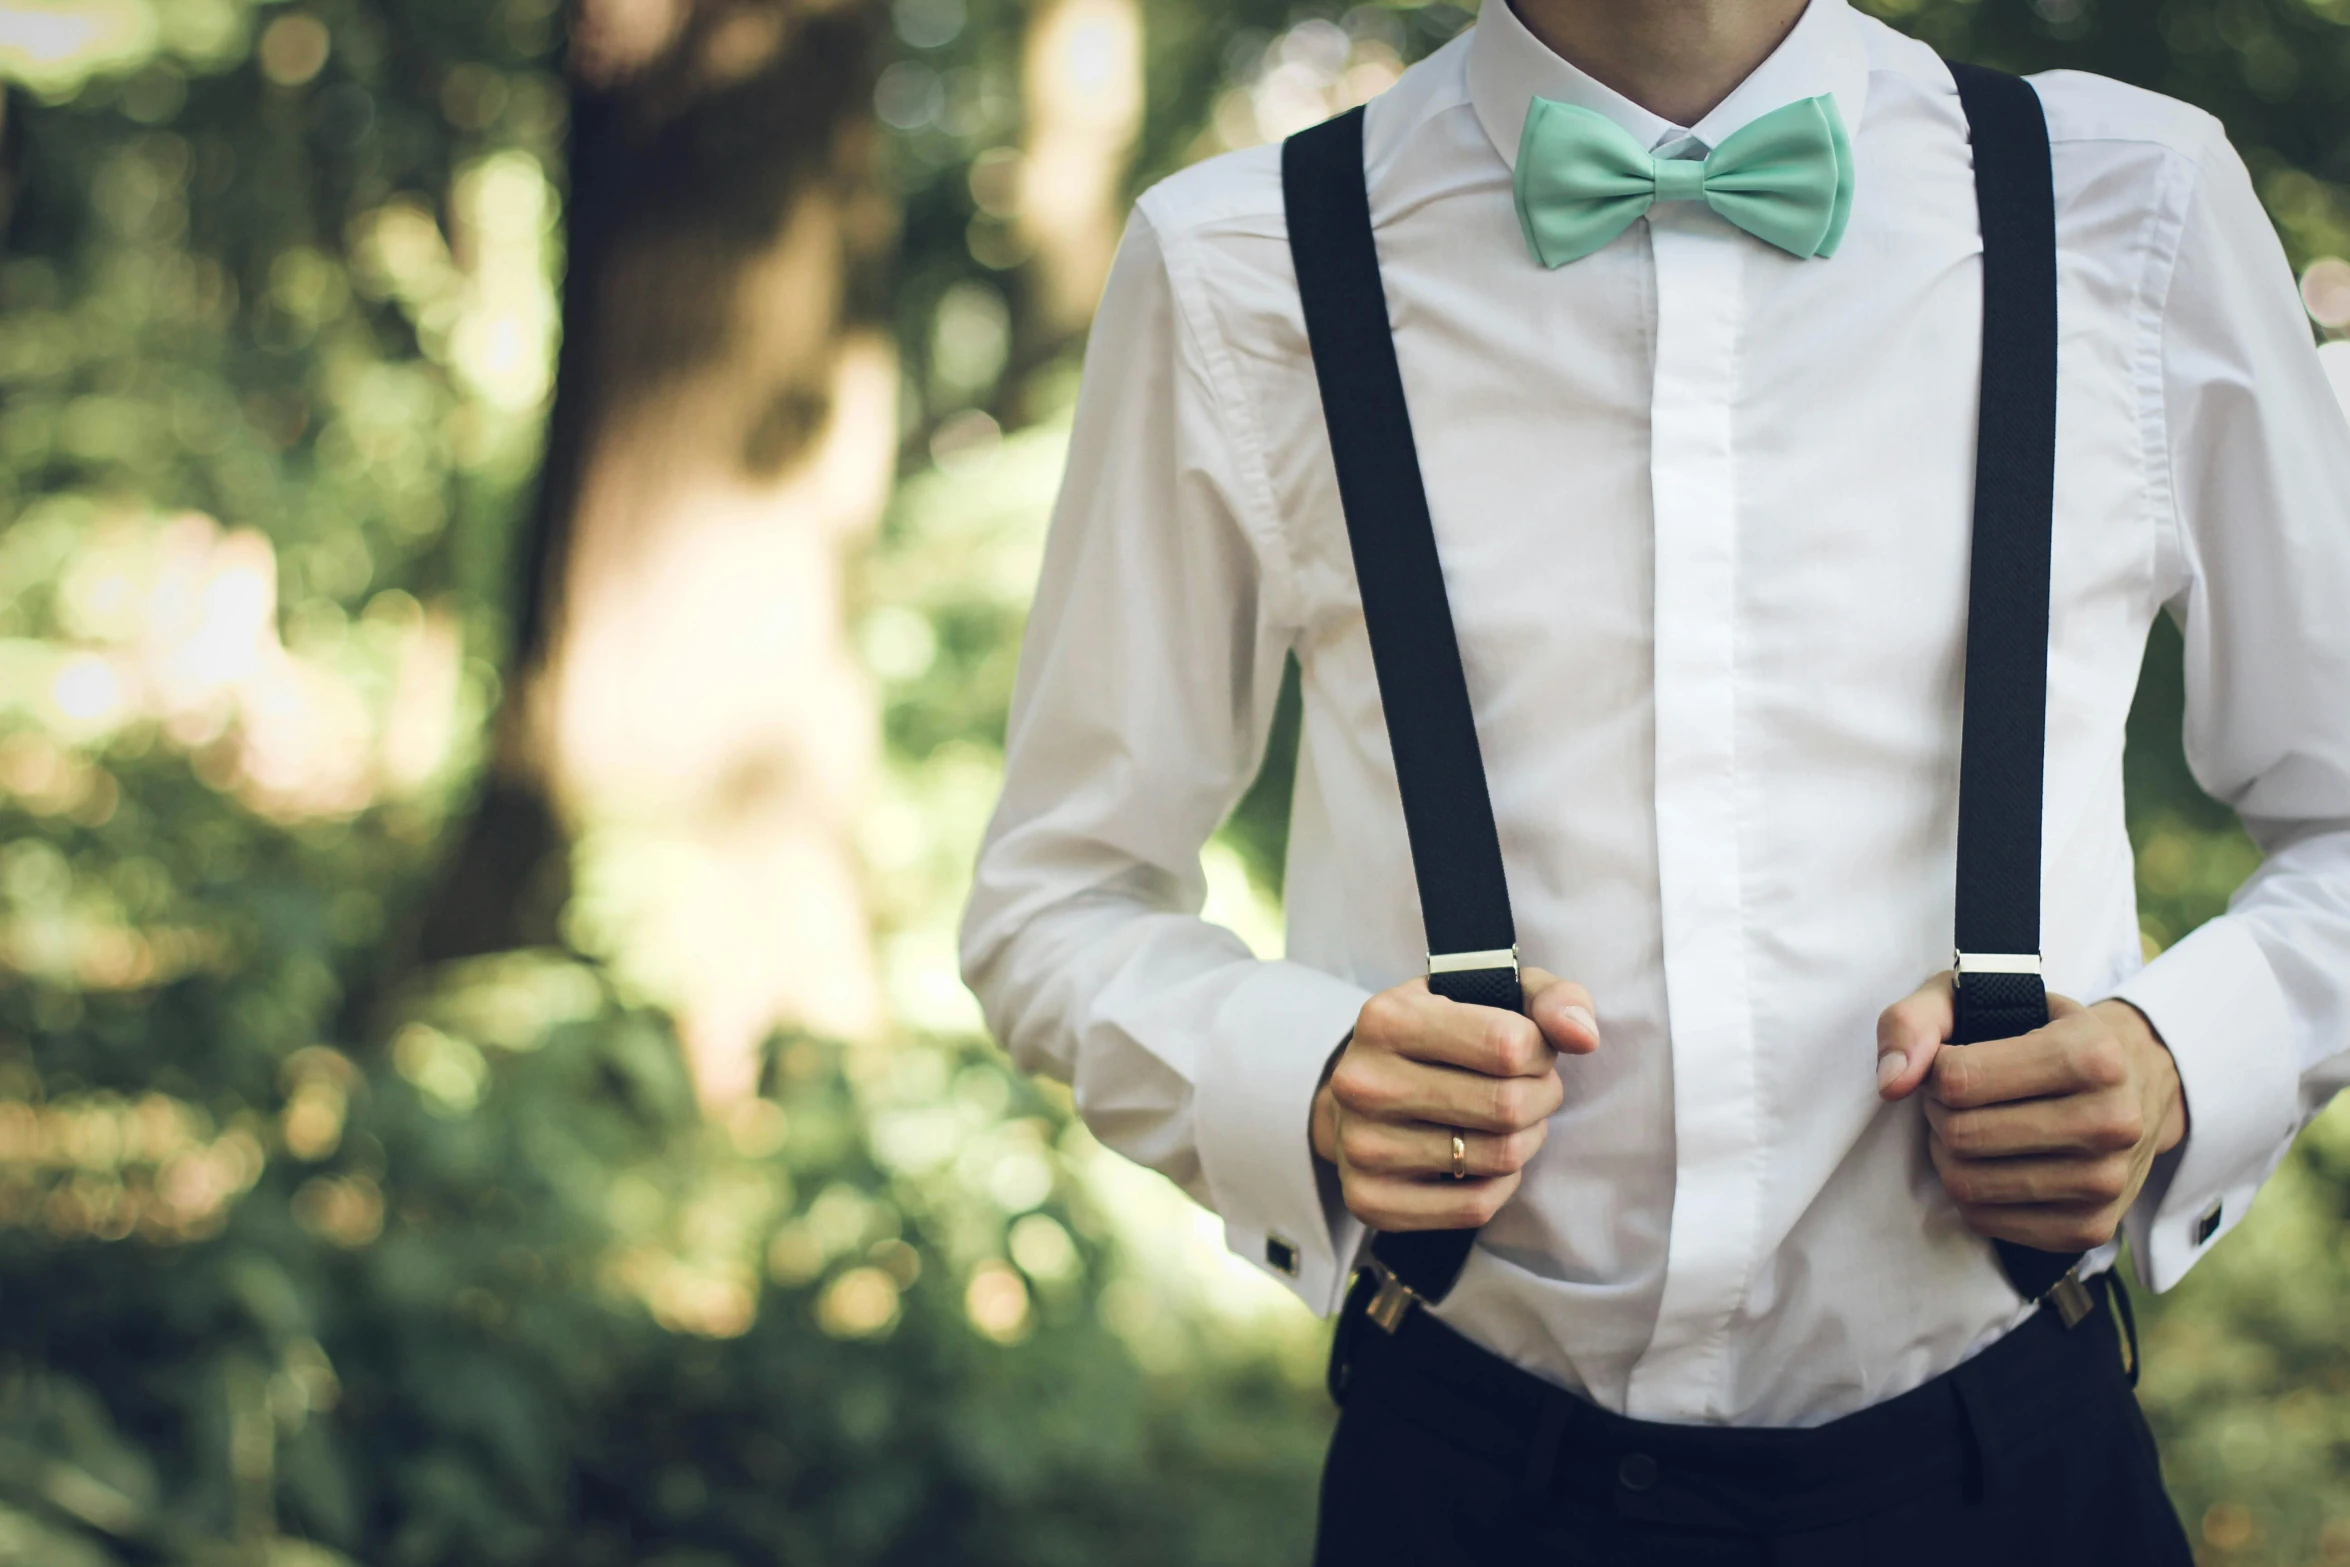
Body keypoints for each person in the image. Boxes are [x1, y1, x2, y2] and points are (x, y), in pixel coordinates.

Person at [960, 0, 2350, 1559]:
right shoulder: (1241, 263)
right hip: (1470, 1479)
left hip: (2010, 1470)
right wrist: (1298, 1073)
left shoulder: (2132, 203)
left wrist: (2174, 1055)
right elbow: (1053, 897)